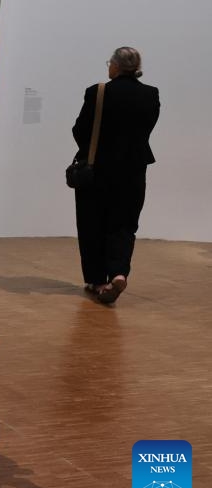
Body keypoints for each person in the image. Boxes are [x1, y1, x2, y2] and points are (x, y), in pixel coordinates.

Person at [73, 47, 160, 304]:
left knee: (92, 224)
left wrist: (90, 149)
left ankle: (98, 280)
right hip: (133, 171)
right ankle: (119, 273)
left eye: (109, 62)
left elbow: (80, 130)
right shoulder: (150, 94)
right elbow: (146, 129)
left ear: (116, 66)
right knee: (124, 225)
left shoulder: (98, 92)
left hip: (97, 170)